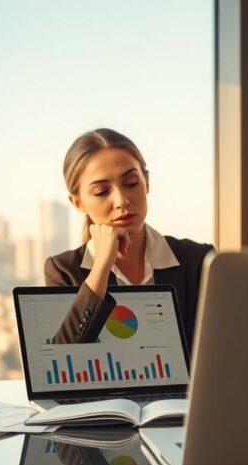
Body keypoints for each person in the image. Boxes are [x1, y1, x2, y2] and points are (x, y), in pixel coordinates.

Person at [45, 128, 214, 346]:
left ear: (147, 182)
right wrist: (101, 269)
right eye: (101, 192)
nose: (121, 200)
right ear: (78, 203)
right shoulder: (63, 271)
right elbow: (63, 355)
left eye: (131, 183)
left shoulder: (198, 260)